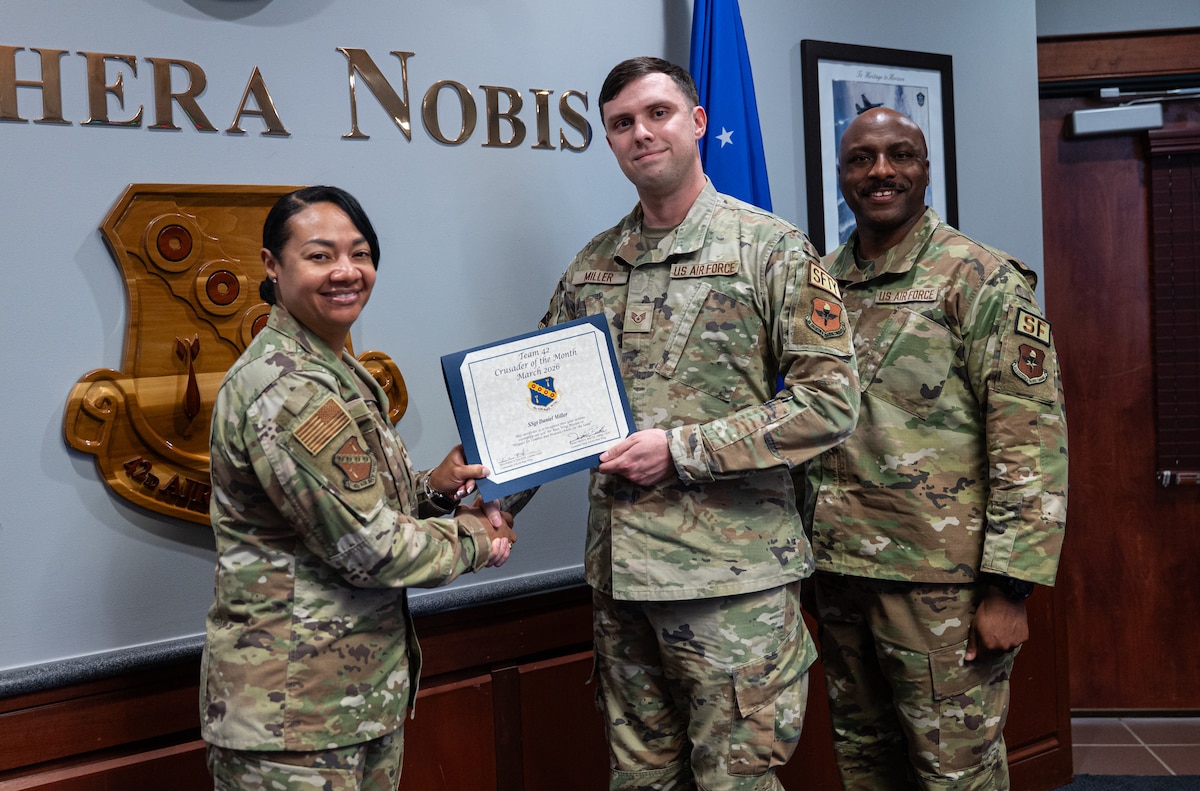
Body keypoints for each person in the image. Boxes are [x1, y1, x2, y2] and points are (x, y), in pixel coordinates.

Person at [521, 56, 861, 790]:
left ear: (698, 121)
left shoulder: (770, 248)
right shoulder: (591, 267)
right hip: (621, 584)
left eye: (658, 113)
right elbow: (538, 407)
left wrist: (682, 450)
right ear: (610, 141)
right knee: (640, 780)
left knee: (734, 782)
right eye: (621, 124)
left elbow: (829, 403)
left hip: (729, 586)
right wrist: (488, 490)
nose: (641, 133)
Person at [201, 185, 516, 791]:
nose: (346, 271)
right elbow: (369, 546)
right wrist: (477, 538)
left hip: (348, 702)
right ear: (272, 266)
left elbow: (356, 503)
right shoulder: (288, 389)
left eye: (360, 253)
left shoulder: (334, 366)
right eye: (320, 256)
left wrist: (437, 490)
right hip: (293, 721)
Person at [805, 107, 1068, 790]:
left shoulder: (979, 278)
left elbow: (1030, 440)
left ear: (926, 170)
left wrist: (1011, 589)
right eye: (862, 159)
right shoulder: (820, 284)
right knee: (866, 766)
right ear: (843, 174)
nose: (881, 171)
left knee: (956, 775)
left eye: (901, 155)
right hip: (842, 577)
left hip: (944, 588)